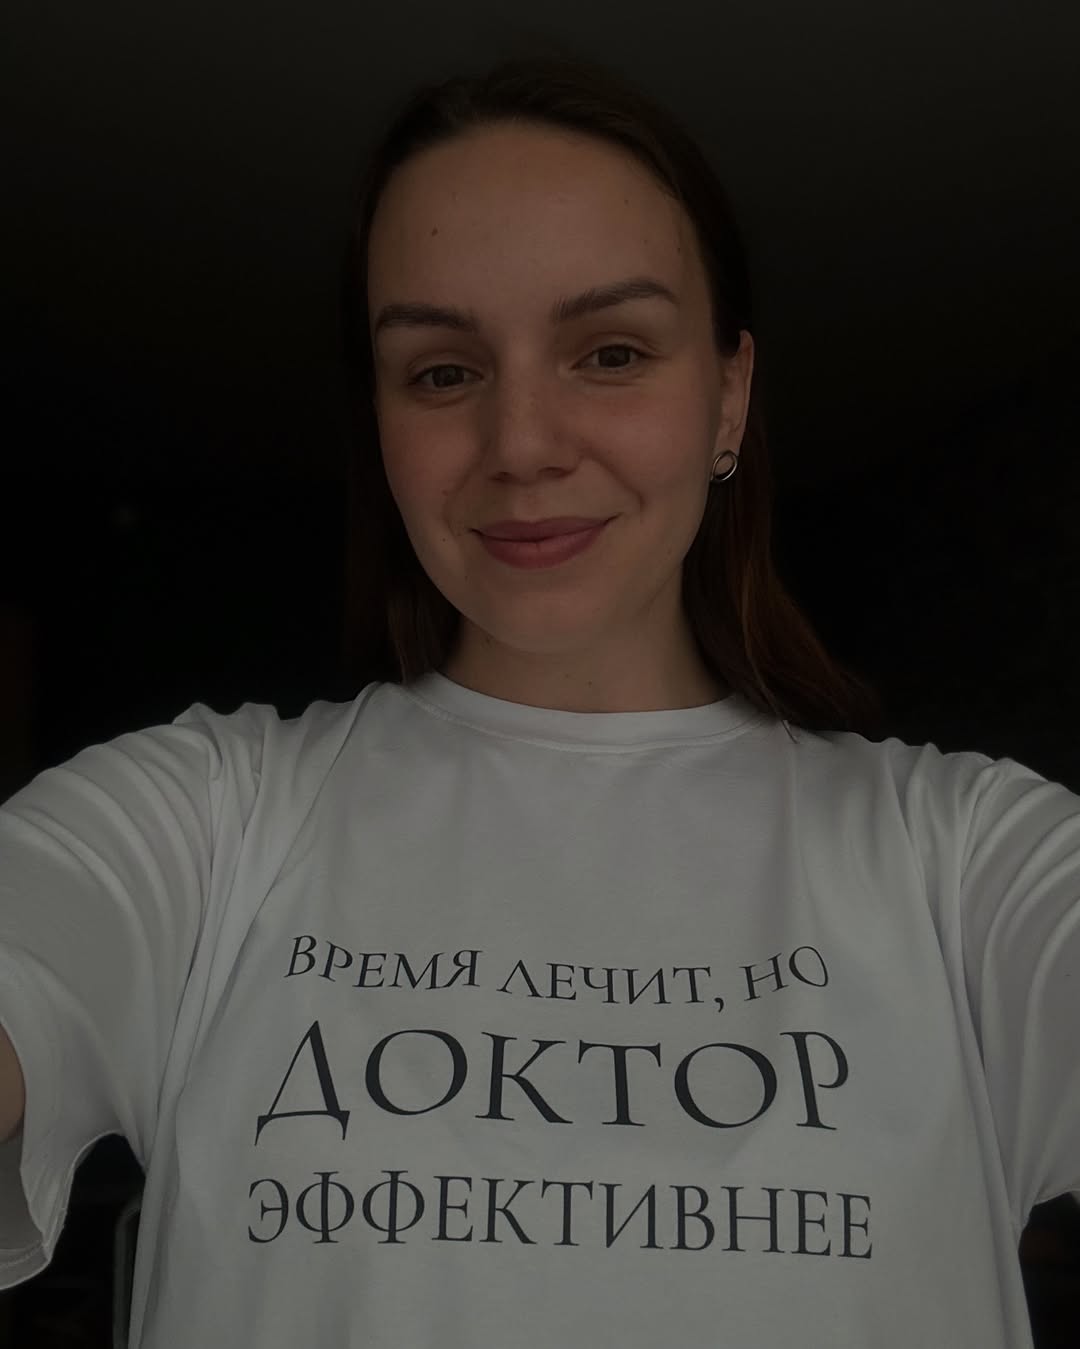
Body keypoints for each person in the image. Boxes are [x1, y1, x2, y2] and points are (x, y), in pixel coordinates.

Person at [1, 45, 1077, 1349]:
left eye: (610, 352)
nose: (520, 445)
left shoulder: (966, 865)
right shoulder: (199, 823)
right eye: (442, 371)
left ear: (729, 396)